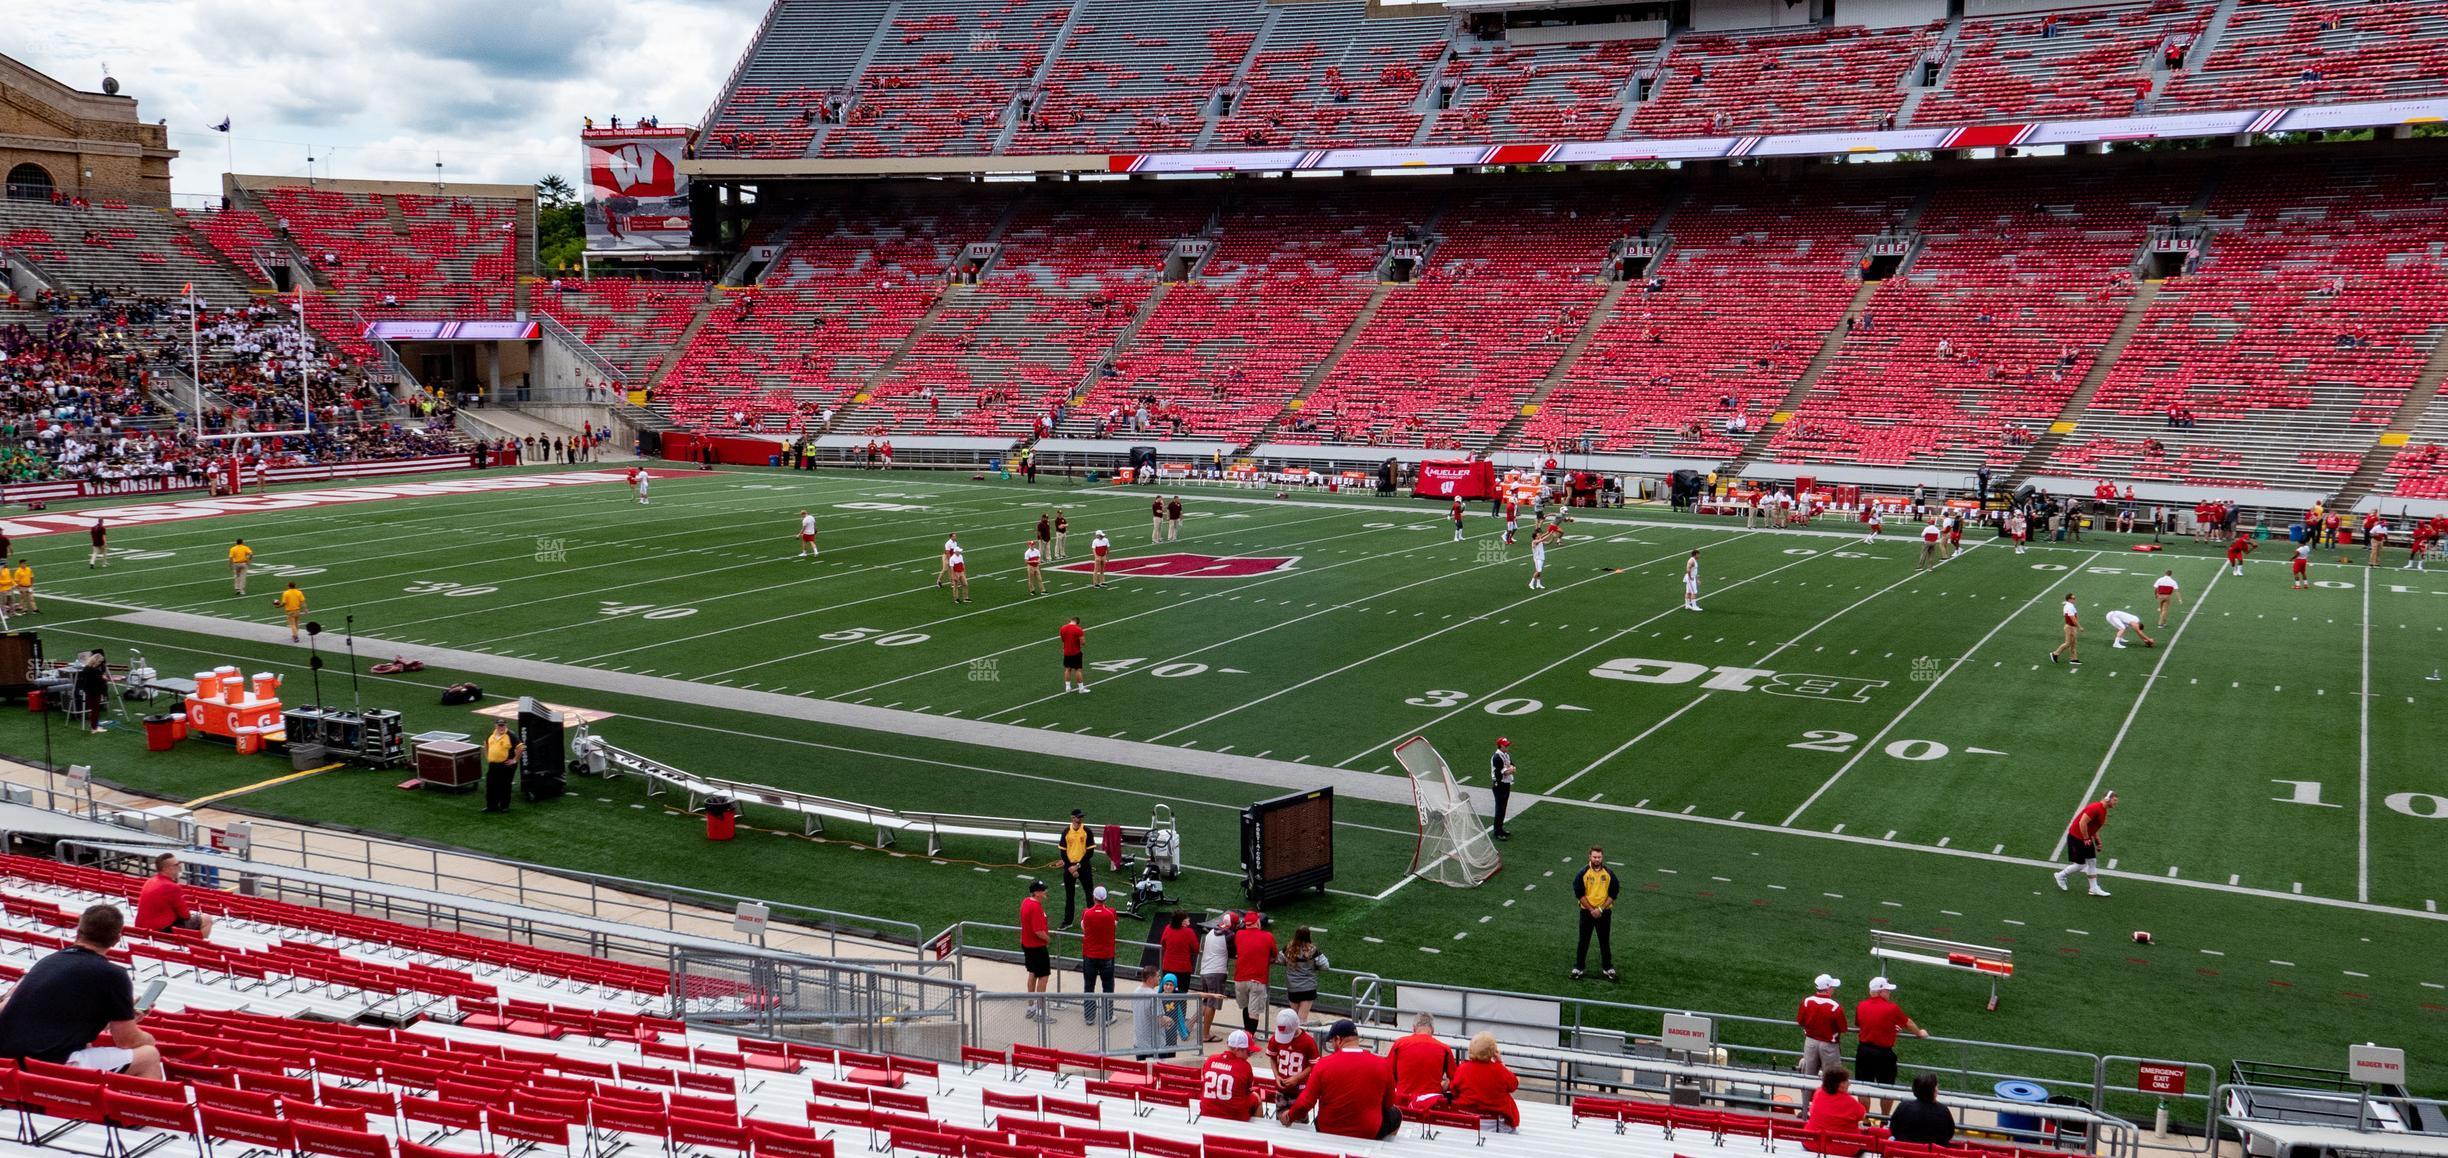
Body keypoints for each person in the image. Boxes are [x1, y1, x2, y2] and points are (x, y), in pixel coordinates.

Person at [0, 905, 162, 1078]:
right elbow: (126, 1041)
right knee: (149, 1055)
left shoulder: (48, 961)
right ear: (116, 939)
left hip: (8, 1058)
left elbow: (65, 1020)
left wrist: (125, 1015)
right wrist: (149, 1040)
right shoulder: (114, 975)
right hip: (45, 1063)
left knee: (87, 1046)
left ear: (79, 932)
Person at [1278, 1020, 1399, 1141]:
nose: (1332, 1046)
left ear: (1338, 1039)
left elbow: (1306, 1102)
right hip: (1368, 1131)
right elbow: (1389, 1103)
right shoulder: (1382, 1064)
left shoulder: (1323, 1064)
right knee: (1396, 1114)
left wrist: (1289, 1116)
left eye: (1332, 1042)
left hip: (1328, 1129)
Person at [1852, 976, 1927, 1112]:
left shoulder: (1861, 1005)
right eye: (1887, 990)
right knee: (1887, 1088)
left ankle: (1865, 1119)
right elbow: (1908, 1023)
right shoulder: (1892, 1008)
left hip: (1864, 1051)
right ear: (1880, 992)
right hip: (1884, 1053)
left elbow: (1860, 1024)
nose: (1889, 993)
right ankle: (1884, 1120)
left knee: (1863, 1087)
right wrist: (1919, 1033)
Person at [1448, 1033, 1521, 1131]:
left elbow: (1454, 1090)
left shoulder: (1463, 1069)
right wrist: (1500, 1062)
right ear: (1493, 1051)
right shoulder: (1500, 1070)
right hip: (1495, 1123)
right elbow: (1513, 1085)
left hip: (1467, 1120)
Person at [2052, 790, 2117, 896]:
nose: (2115, 803)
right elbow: (2082, 822)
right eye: (2114, 800)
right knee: (2080, 865)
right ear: (2107, 799)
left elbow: (2093, 827)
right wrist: (2087, 839)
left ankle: (2093, 888)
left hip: (2085, 838)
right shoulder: (2095, 808)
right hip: (2077, 838)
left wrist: (2097, 841)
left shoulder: (2103, 810)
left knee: (2092, 861)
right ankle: (2060, 875)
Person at [134, 852, 214, 938]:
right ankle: (200, 947)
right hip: (160, 929)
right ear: (166, 869)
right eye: (176, 865)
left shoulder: (150, 881)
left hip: (142, 927)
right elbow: (185, 915)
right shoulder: (171, 887)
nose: (179, 867)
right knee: (207, 919)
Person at [1570, 845, 1618, 981]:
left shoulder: (1609, 873)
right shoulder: (1583, 873)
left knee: (1604, 941)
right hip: (1587, 913)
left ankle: (1608, 967)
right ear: (1589, 857)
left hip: (1604, 913)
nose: (1597, 859)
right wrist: (1592, 909)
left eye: (1599, 857)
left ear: (1602, 857)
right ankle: (1578, 967)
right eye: (1594, 857)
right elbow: (1579, 894)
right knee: (1583, 941)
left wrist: (1600, 909)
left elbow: (1613, 894)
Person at [1386, 1013, 1455, 1108]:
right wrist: (1444, 1085)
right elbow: (1455, 1081)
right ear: (1432, 1030)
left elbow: (1387, 1074)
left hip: (1402, 1104)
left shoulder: (1399, 1044)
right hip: (1431, 1105)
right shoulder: (1444, 1049)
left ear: (1414, 1028)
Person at [1268, 1007, 1322, 1112]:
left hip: (1300, 1090)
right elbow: (1272, 1058)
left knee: (1299, 1119)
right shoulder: (1276, 1038)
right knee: (1280, 1120)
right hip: (1282, 1089)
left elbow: (1314, 1065)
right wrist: (1277, 1076)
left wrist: (1297, 1078)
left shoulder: (1308, 1042)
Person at [1232, 911, 1278, 1034]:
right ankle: (1248, 1039)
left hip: (1240, 978)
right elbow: (1274, 954)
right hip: (1258, 979)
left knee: (1246, 1008)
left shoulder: (1239, 934)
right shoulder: (1268, 936)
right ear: (1257, 922)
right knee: (1254, 1012)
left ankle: (1246, 1036)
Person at [1200, 1030, 1261, 1120]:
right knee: (1256, 1097)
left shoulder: (1210, 1059)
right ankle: (1257, 1131)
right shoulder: (1245, 1067)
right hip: (1235, 1117)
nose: (1249, 1056)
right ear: (1237, 1050)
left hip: (1207, 1112)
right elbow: (1247, 1092)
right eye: (1249, 1052)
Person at [1080, 886, 1118, 1025]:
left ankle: (1089, 1017)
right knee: (1108, 987)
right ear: (1105, 898)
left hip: (1089, 955)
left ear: (1094, 897)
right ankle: (1108, 1016)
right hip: (1107, 955)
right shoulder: (1111, 913)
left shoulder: (1086, 913)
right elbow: (1114, 926)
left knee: (1089, 986)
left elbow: (1084, 927)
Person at [1196, 913, 1236, 1044]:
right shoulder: (1229, 936)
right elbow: (1234, 952)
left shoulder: (1211, 932)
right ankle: (1206, 1035)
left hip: (1204, 971)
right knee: (1212, 1004)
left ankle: (1189, 1026)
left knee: (1206, 1001)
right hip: (1216, 973)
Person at [1887, 1074, 1958, 1146]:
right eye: (1936, 1086)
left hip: (1905, 1152)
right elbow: (1949, 1134)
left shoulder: (1903, 1106)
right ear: (1934, 1090)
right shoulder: (1943, 1111)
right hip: (1932, 1153)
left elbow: (1894, 1129)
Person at [1797, 974, 1846, 1076]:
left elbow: (1800, 1021)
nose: (1833, 990)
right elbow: (1843, 1028)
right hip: (1829, 1047)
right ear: (1827, 989)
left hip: (1810, 1043)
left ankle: (1807, 1093)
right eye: (1832, 987)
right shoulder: (1835, 1006)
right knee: (1831, 1078)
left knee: (1808, 1076)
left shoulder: (1807, 1001)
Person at [1019, 880, 1053, 1022]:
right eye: (1043, 890)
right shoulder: (1036, 907)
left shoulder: (1026, 902)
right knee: (1043, 976)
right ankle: (1040, 1011)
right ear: (1036, 892)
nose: (1045, 892)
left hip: (1027, 945)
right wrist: (1047, 939)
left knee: (1032, 973)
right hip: (1037, 947)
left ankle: (1031, 1006)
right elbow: (1038, 930)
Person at [1057, 809, 1096, 926]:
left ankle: (1092, 921)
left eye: (1081, 817)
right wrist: (1070, 867)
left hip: (1084, 867)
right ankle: (1067, 921)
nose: (1079, 819)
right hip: (1069, 867)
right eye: (1078, 817)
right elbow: (1063, 852)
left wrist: (1078, 866)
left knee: (1089, 895)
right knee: (1069, 896)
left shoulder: (1087, 831)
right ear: (1072, 818)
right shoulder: (1066, 832)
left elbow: (1090, 852)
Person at [1282, 926, 1328, 1025]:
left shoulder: (1288, 948)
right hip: (1308, 988)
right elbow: (1325, 965)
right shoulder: (1313, 950)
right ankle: (1299, 1039)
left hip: (1293, 988)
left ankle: (1292, 1038)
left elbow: (1279, 959)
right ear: (1308, 936)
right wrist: (1314, 966)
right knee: (1302, 1020)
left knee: (1294, 1018)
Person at [1805, 1067, 1868, 1136]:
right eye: (1847, 1081)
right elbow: (1862, 1116)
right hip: (1841, 1144)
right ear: (1841, 1085)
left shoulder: (1818, 1092)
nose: (1849, 1084)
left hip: (1811, 1142)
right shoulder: (1850, 1102)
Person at [482, 720, 522, 814]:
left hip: (506, 766)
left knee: (505, 786)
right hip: (493, 765)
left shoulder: (510, 735)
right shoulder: (491, 735)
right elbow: (485, 744)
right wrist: (488, 757)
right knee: (490, 785)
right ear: (496, 725)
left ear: (506, 725)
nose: (501, 727)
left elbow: (520, 747)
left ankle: (504, 807)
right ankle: (491, 806)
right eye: (499, 725)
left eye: (503, 725)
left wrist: (515, 760)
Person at [1489, 737, 1515, 840]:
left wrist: (1511, 769)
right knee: (1500, 808)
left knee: (1503, 808)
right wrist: (1511, 769)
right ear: (1500, 746)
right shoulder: (1497, 757)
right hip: (1499, 784)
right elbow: (1506, 771)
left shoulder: (1506, 755)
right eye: (1505, 745)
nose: (1507, 746)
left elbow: (1513, 766)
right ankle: (1497, 831)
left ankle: (1500, 828)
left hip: (1506, 783)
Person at [2048, 592, 2081, 668]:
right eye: (2073, 598)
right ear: (2069, 599)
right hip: (2070, 627)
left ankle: (2074, 659)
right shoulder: (2069, 607)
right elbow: (2073, 618)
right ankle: (2055, 653)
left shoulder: (2069, 606)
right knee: (2068, 643)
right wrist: (2079, 627)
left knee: (2073, 643)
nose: (2075, 599)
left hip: (2071, 626)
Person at [1529, 519, 1561, 590]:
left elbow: (1547, 542)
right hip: (1537, 558)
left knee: (1539, 572)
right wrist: (1549, 534)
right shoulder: (1534, 541)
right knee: (1538, 571)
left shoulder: (1539, 540)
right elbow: (1541, 539)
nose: (1539, 535)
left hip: (1541, 557)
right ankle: (1531, 583)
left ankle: (1538, 584)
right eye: (1538, 535)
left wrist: (1552, 537)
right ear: (1535, 536)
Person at [1060, 616, 1089, 693]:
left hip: (1066, 652)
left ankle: (1068, 687)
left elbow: (1063, 640)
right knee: (1078, 670)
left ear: (1071, 620)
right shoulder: (1078, 629)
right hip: (1076, 652)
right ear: (1077, 622)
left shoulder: (1062, 628)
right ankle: (1081, 689)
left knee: (1068, 669)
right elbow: (1083, 643)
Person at [947, 539, 970, 604]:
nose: (960, 552)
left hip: (961, 572)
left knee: (965, 584)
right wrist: (954, 575)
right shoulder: (952, 558)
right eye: (959, 551)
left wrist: (964, 572)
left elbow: (963, 564)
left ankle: (966, 598)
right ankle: (956, 599)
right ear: (956, 552)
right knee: (956, 586)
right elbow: (951, 568)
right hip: (956, 573)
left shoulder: (960, 556)